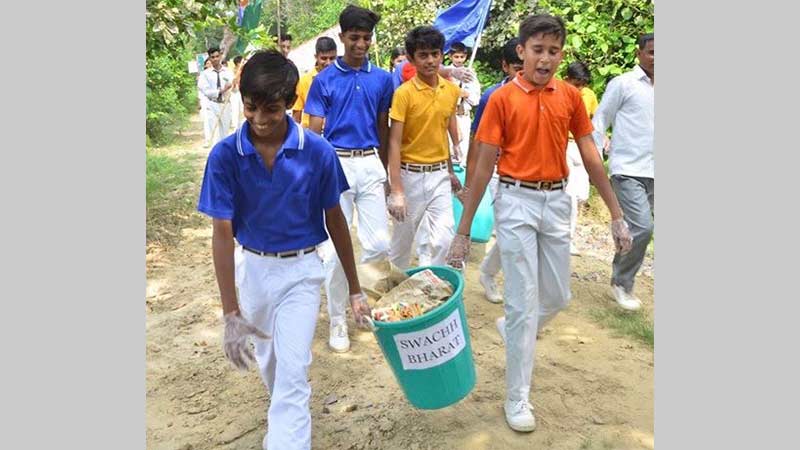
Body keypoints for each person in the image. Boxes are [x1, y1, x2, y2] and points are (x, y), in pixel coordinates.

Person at [445, 14, 633, 433]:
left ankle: (513, 327)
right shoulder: (501, 99)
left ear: (561, 54)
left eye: (553, 51)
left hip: (557, 200)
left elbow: (590, 154)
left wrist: (616, 214)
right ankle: (517, 397)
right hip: (515, 201)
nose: (545, 59)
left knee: (559, 296)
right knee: (522, 302)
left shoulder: (569, 96)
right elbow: (483, 165)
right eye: (537, 50)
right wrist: (463, 231)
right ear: (522, 51)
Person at [196, 50, 370, 450]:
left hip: (302, 272)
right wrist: (230, 313)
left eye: (271, 109)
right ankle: (285, 425)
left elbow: (336, 221)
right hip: (254, 272)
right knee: (272, 366)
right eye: (251, 107)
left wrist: (355, 289)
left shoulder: (318, 152)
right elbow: (222, 232)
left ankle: (286, 436)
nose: (259, 119)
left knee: (293, 373)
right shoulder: (225, 155)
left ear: (291, 102)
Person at [304, 4, 394, 353]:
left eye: (366, 38)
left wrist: (386, 172)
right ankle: (338, 319)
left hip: (370, 163)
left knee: (379, 244)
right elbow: (314, 133)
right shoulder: (323, 80)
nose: (361, 44)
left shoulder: (383, 79)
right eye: (354, 37)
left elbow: (383, 127)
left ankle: (366, 302)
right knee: (334, 253)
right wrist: (314, 175)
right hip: (335, 163)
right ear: (341, 37)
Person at [386, 25, 463, 270]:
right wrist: (397, 190)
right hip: (410, 177)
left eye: (435, 54)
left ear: (442, 55)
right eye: (423, 55)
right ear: (411, 59)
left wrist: (450, 170)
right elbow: (394, 142)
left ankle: (436, 285)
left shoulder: (451, 90)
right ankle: (392, 289)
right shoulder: (403, 94)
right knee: (402, 245)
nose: (430, 60)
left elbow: (441, 133)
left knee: (444, 239)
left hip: (440, 176)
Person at [591, 33, 654, 311]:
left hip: (655, 170)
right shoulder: (623, 84)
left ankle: (623, 267)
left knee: (637, 227)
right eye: (652, 52)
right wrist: (594, 160)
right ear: (639, 53)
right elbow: (600, 120)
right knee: (642, 226)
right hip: (628, 168)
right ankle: (622, 282)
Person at [460, 37, 523, 304]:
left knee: (515, 231)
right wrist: (470, 182)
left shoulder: (541, 93)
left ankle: (488, 270)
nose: (523, 72)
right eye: (517, 67)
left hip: (527, 174)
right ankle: (497, 279)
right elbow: (477, 139)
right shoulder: (492, 96)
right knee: (510, 229)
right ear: (505, 66)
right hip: (497, 172)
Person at [563, 61, 599, 256]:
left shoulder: (589, 96)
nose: (579, 88)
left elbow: (594, 120)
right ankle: (566, 238)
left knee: (581, 195)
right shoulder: (558, 92)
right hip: (564, 146)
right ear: (567, 79)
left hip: (581, 146)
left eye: (582, 85)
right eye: (576, 84)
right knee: (569, 195)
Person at [446, 42, 481, 165]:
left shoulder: (470, 74)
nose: (459, 60)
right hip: (449, 117)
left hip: (463, 116)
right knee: (448, 151)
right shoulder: (446, 73)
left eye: (462, 57)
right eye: (456, 57)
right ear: (450, 56)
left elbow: (476, 99)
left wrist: (466, 94)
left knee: (463, 153)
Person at [292, 37, 337, 128]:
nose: (328, 63)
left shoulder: (343, 80)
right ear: (316, 57)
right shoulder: (304, 81)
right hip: (310, 132)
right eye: (324, 58)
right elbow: (296, 118)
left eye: (332, 58)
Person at [197, 46, 235, 147]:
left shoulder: (228, 72)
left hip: (225, 104)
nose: (215, 59)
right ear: (209, 58)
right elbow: (206, 91)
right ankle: (214, 151)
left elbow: (233, 88)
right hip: (212, 104)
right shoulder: (205, 74)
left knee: (225, 131)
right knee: (212, 132)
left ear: (220, 56)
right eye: (212, 57)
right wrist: (222, 90)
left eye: (217, 56)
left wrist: (234, 84)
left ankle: (224, 152)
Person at [198, 58, 214, 147]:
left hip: (215, 100)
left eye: (210, 63)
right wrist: (199, 101)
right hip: (205, 100)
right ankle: (208, 139)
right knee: (207, 121)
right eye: (208, 63)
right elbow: (200, 90)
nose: (209, 65)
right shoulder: (203, 75)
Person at [230, 55, 245, 131]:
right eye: (242, 62)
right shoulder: (232, 72)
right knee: (236, 112)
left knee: (243, 111)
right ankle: (236, 128)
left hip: (243, 93)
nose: (244, 63)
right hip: (235, 94)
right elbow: (232, 83)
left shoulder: (245, 71)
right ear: (238, 63)